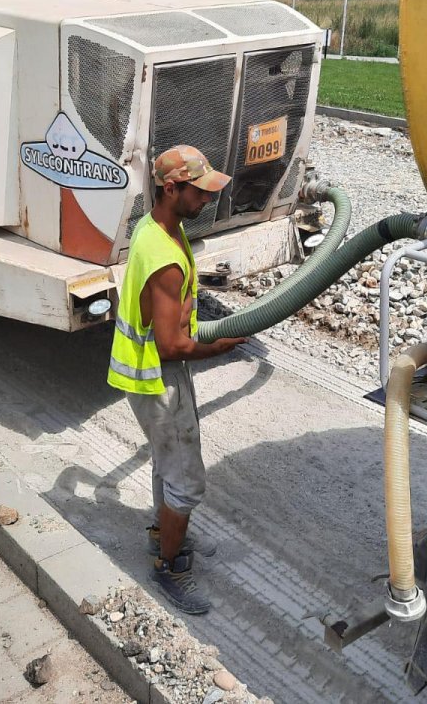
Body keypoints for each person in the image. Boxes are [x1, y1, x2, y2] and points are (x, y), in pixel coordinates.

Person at [108, 145, 248, 614]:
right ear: (171, 189)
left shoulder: (158, 227)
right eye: (199, 192)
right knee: (186, 481)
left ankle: (161, 531)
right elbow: (172, 345)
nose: (207, 200)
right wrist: (222, 345)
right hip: (157, 376)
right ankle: (170, 566)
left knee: (165, 462)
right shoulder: (163, 256)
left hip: (150, 372)